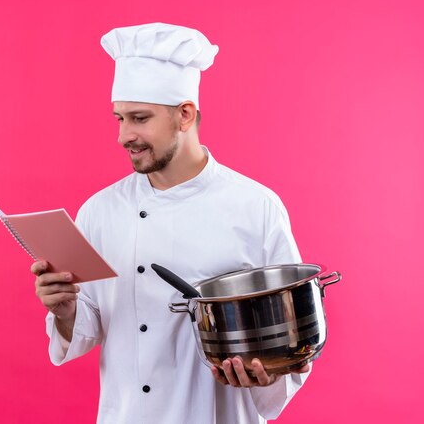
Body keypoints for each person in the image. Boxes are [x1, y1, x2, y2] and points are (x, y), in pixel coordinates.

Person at [32, 22, 310, 423]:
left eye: (139, 118)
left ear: (184, 114)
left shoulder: (256, 207)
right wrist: (64, 310)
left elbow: (289, 334)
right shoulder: (100, 210)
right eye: (119, 118)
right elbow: (89, 323)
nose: (124, 136)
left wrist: (266, 373)